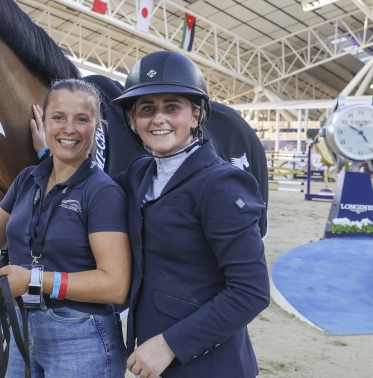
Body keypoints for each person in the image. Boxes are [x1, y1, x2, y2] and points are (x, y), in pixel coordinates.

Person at [0, 79, 131, 377]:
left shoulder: (102, 192)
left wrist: (34, 280)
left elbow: (115, 285)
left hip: (81, 338)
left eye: (81, 119)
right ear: (43, 123)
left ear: (96, 128)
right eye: (58, 117)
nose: (68, 128)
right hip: (24, 327)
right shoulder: (27, 179)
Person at [108, 51, 269, 378]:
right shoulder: (140, 172)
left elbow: (251, 292)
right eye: (146, 109)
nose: (158, 119)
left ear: (196, 116)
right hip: (157, 364)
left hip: (210, 366)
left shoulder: (222, 184)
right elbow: (95, 192)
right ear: (133, 120)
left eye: (172, 107)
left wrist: (169, 345)